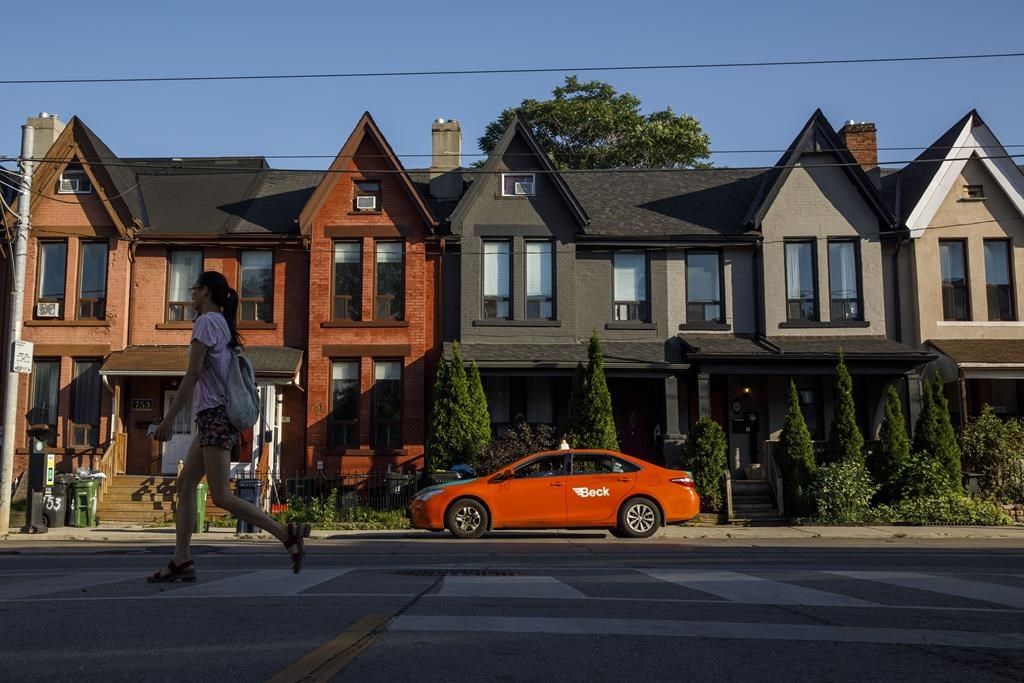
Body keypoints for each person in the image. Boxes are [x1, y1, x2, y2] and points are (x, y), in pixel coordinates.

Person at [147, 271, 306, 582]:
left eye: (194, 289)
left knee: (221, 495)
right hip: (213, 417)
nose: (190, 294)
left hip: (215, 416)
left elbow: (192, 375)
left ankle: (286, 534)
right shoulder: (222, 323)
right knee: (186, 485)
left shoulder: (206, 322)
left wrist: (168, 421)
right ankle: (181, 559)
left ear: (205, 292)